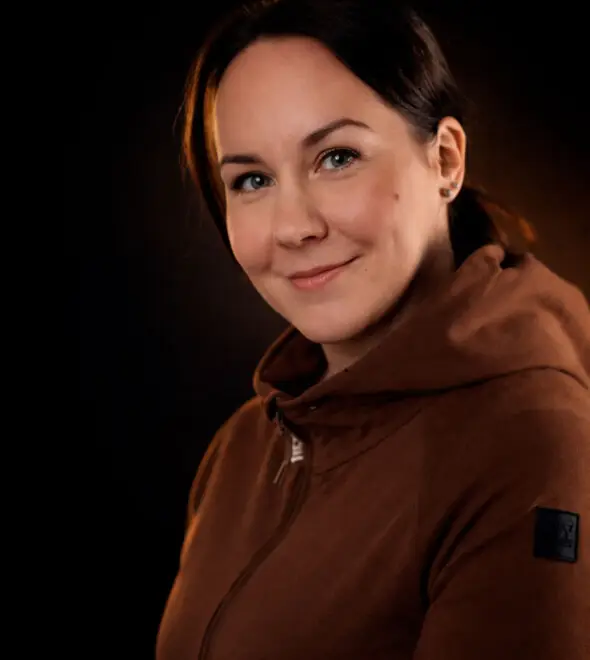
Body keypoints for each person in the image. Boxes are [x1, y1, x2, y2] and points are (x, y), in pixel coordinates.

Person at [156, 1, 590, 658]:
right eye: (251, 179)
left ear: (445, 160)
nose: (294, 226)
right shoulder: (243, 446)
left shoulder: (531, 441)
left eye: (336, 158)